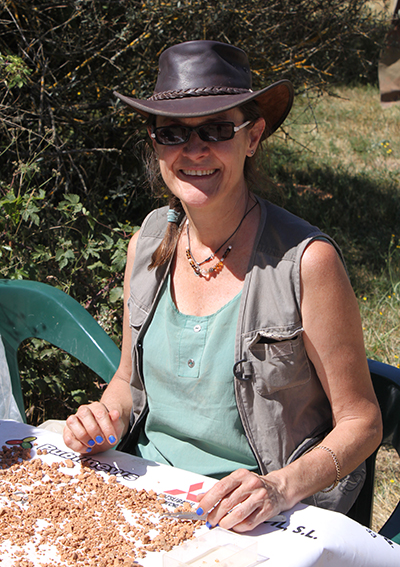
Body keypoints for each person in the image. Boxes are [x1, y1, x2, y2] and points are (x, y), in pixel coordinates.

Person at [63, 40, 382, 532]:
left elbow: (362, 422)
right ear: (154, 142)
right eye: (172, 133)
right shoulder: (147, 246)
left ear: (252, 137)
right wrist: (103, 418)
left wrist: (279, 487)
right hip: (146, 493)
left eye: (215, 130)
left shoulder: (305, 263)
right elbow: (127, 382)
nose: (194, 150)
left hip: (259, 519)